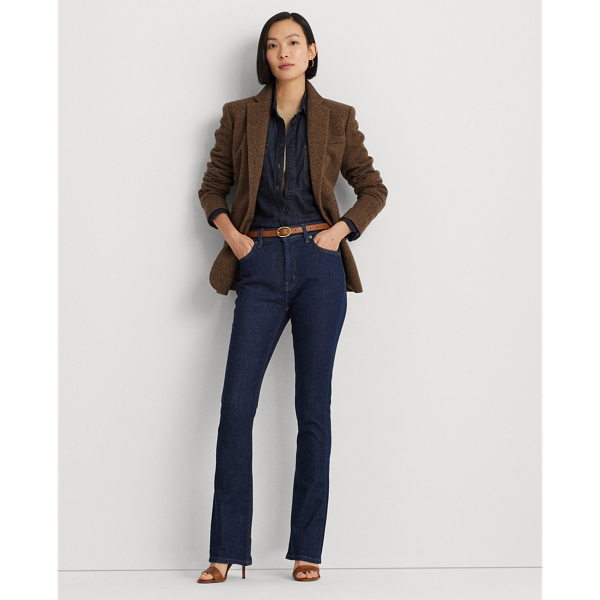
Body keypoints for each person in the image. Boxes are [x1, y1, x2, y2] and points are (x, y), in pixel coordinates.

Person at [196, 12, 387, 584]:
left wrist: (341, 230)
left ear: (311, 52)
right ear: (266, 55)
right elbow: (212, 187)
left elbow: (373, 188)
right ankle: (226, 549)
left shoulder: (337, 117)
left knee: (313, 411)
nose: (283, 52)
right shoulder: (240, 115)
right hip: (257, 263)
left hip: (317, 266)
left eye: (293, 43)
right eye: (273, 44)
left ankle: (308, 549)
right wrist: (236, 238)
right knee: (236, 407)